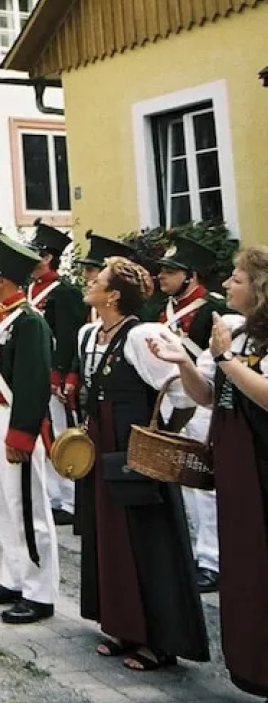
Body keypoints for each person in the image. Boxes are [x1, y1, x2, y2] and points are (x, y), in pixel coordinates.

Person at [76, 255, 208, 671]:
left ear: (113, 295)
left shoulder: (141, 335)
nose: (90, 281)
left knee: (147, 537)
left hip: (133, 446)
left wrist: (162, 436)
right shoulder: (90, 333)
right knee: (109, 533)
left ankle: (160, 640)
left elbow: (183, 394)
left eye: (99, 279)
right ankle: (123, 624)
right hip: (102, 440)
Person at [153, 245, 268, 703]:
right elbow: (205, 396)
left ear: (260, 289)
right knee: (248, 574)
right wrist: (182, 360)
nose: (227, 284)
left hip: (262, 466)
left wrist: (224, 361)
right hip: (237, 467)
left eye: (237, 278)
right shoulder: (236, 333)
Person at [0, 231, 58, 625]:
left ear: (2, 277)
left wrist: (21, 434)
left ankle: (40, 592)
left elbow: (33, 382)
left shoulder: (29, 323)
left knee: (27, 508)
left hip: (12, 418)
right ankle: (14, 577)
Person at [154, 232, 229, 591]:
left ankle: (212, 559)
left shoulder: (216, 309)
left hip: (202, 404)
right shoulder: (161, 309)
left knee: (204, 486)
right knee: (180, 479)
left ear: (191, 275)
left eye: (170, 271)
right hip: (172, 401)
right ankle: (194, 550)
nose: (162, 277)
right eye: (162, 271)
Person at [24, 220, 89, 527]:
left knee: (63, 435)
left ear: (47, 257)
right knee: (44, 434)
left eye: (33, 252)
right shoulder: (31, 289)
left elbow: (68, 336)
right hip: (35, 373)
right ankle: (53, 494)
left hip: (56, 376)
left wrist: (64, 375)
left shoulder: (64, 292)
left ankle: (71, 497)